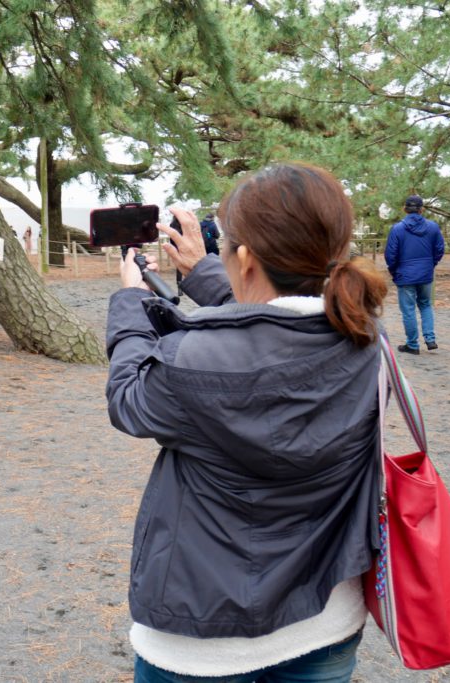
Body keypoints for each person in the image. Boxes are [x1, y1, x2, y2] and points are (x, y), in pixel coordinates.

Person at [107, 163, 388, 682]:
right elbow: (279, 323)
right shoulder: (366, 339)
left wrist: (129, 301)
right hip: (324, 620)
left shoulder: (192, 362)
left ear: (246, 259)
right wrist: (206, 273)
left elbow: (128, 400)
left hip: (199, 642)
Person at [384, 195, 445, 354]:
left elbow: (391, 255)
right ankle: (430, 339)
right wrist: (431, 264)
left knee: (408, 309)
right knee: (425, 305)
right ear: (421, 209)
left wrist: (394, 271)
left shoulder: (397, 229)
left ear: (405, 209)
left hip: (405, 275)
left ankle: (412, 344)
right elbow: (439, 249)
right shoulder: (432, 227)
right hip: (425, 274)